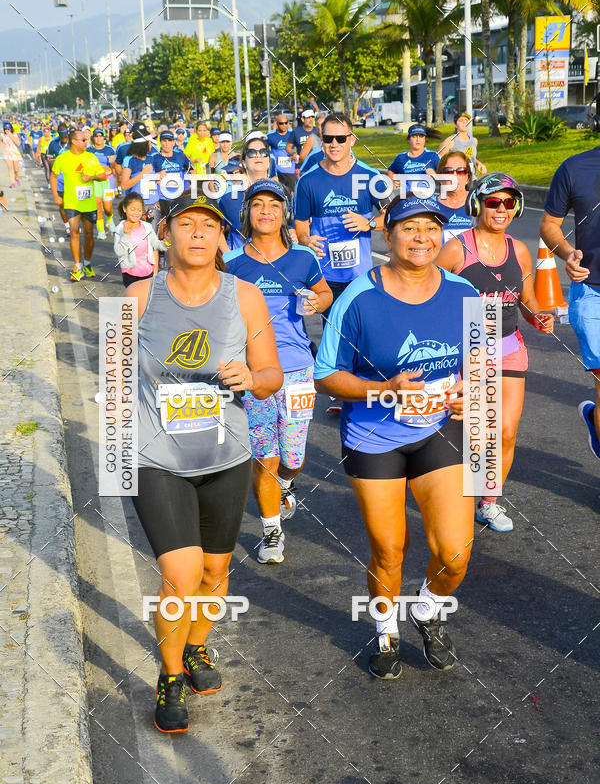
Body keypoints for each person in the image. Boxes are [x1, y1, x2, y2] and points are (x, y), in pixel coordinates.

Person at [128, 190, 282, 733]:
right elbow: (113, 388)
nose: (198, 233)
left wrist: (253, 378)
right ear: (165, 233)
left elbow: (272, 376)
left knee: (216, 571)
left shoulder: (246, 297)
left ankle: (196, 646)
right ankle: (170, 674)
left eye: (209, 225)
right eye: (186, 223)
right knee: (181, 573)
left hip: (226, 455)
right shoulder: (136, 298)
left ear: (221, 237)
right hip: (157, 458)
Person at [314, 195, 478, 679]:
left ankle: (426, 610)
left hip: (438, 429)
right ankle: (386, 630)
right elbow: (326, 375)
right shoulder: (358, 298)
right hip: (373, 436)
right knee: (389, 551)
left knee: (454, 552)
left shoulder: (465, 292)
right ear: (387, 235)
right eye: (409, 227)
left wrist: (470, 393)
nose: (421, 237)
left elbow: (481, 363)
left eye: (431, 227)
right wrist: (384, 388)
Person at [439, 172, 554, 530]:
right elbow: (430, 294)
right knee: (475, 436)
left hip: (509, 348)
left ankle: (487, 502)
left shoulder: (518, 251)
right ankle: (449, 495)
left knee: (504, 431)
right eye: (493, 202)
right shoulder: (456, 249)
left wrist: (539, 317)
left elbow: (527, 300)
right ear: (477, 205)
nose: (501, 208)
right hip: (468, 351)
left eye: (509, 202)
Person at [224, 179, 332, 562]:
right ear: (247, 213)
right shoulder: (232, 263)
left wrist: (316, 302)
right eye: (258, 204)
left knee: (293, 457)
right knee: (264, 453)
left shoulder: (303, 258)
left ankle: (286, 483)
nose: (265, 211)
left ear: (284, 212)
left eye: (273, 204)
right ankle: (271, 532)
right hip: (253, 373)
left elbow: (325, 293)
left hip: (297, 369)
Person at [540, 146, 600, 459]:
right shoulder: (574, 168)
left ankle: (595, 421)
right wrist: (568, 254)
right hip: (591, 293)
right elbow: (549, 224)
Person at [294, 112, 384, 311]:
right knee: (332, 329)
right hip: (325, 279)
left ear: (352, 140)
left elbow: (393, 218)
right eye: (328, 138)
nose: (334, 144)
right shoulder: (307, 181)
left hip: (360, 276)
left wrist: (368, 223)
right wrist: (305, 240)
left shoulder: (371, 176)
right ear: (322, 141)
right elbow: (300, 223)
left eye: (341, 138)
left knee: (362, 330)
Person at [50, 129, 110, 281]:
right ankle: (77, 266)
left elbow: (103, 176)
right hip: (71, 202)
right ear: (74, 141)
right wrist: (56, 196)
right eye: (83, 140)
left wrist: (91, 177)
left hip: (89, 203)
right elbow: (53, 176)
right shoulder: (62, 158)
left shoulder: (90, 157)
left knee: (89, 234)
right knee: (74, 232)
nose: (86, 142)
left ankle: (87, 263)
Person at [218, 131, 284, 251]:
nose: (258, 156)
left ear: (269, 160)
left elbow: (291, 228)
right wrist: (228, 256)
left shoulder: (282, 194)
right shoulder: (228, 196)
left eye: (264, 152)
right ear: (243, 162)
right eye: (252, 153)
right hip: (239, 262)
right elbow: (216, 230)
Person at [113, 191, 163, 286]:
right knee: (133, 295)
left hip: (147, 271)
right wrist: (126, 235)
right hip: (130, 273)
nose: (136, 213)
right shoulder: (120, 229)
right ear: (125, 208)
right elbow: (119, 252)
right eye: (132, 209)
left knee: (146, 294)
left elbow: (154, 247)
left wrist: (155, 271)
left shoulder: (147, 227)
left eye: (139, 210)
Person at [153, 129, 193, 222]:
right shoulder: (154, 158)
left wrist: (190, 184)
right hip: (161, 198)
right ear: (160, 142)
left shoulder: (180, 156)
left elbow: (192, 170)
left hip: (178, 196)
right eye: (164, 141)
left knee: (177, 222)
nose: (167, 144)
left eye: (169, 141)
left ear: (173, 142)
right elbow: (147, 176)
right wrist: (156, 175)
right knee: (162, 224)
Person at [120, 125, 158, 224]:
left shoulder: (152, 158)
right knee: (136, 232)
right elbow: (124, 185)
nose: (151, 146)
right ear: (144, 144)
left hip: (153, 204)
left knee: (152, 232)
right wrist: (142, 173)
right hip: (136, 206)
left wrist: (159, 176)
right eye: (149, 143)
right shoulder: (129, 160)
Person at [387, 124, 439, 193]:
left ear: (425, 139)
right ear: (409, 139)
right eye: (414, 136)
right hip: (406, 197)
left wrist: (434, 175)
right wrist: (392, 180)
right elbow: (391, 170)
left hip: (427, 197)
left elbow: (446, 177)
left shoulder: (433, 156)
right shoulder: (401, 158)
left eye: (421, 136)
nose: (418, 140)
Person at [435, 151, 474, 243]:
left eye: (461, 171)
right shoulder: (430, 206)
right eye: (448, 171)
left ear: (468, 176)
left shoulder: (480, 203)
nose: (454, 176)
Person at [87, 128, 116, 239]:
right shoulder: (88, 150)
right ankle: (101, 231)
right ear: (93, 137)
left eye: (101, 136)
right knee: (97, 206)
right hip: (95, 181)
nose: (99, 138)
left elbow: (114, 167)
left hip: (108, 181)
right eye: (96, 136)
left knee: (108, 208)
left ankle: (109, 220)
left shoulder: (109, 150)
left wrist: (112, 162)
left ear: (104, 137)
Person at [267, 113, 295, 191]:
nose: (284, 125)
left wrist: (295, 155)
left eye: (286, 123)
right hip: (277, 170)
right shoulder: (270, 136)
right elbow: (265, 150)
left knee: (291, 192)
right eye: (281, 123)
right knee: (278, 191)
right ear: (277, 124)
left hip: (290, 170)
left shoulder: (293, 134)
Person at [1, 123, 22, 187]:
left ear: (10, 129)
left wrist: (11, 135)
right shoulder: (2, 135)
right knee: (10, 169)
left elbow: (18, 143)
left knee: (16, 169)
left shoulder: (14, 134)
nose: (7, 130)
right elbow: (1, 143)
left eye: (8, 129)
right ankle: (13, 183)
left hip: (15, 152)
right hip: (7, 153)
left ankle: (17, 177)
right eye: (5, 129)